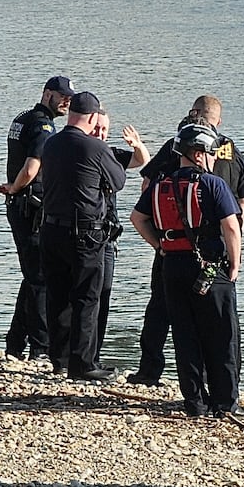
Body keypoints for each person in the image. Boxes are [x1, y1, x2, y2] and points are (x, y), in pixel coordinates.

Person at [127, 95, 244, 386]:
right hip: (220, 248)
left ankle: (152, 371)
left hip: (175, 247)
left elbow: (148, 186)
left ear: (194, 113)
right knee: (223, 321)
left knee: (165, 311)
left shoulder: (181, 146)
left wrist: (159, 240)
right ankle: (227, 383)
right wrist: (234, 238)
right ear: (219, 121)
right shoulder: (231, 150)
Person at [38, 90, 127, 381]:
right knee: (87, 298)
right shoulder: (94, 148)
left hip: (50, 228)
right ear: (91, 117)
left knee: (58, 295)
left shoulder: (50, 144)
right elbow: (118, 181)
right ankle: (83, 363)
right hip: (84, 232)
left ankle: (59, 359)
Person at [0, 75, 76, 360]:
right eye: (62, 96)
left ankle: (15, 341)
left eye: (69, 97)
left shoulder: (24, 117)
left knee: (32, 275)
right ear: (47, 95)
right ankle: (41, 347)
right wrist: (15, 187)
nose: (67, 101)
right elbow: (32, 168)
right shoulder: (43, 125)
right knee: (41, 278)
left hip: (21, 206)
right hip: (29, 207)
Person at [90, 108, 149, 357]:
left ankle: (94, 353)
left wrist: (137, 144)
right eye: (96, 128)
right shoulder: (74, 150)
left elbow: (142, 161)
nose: (100, 133)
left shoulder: (111, 154)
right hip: (85, 233)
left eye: (104, 129)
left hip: (108, 235)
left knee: (103, 296)